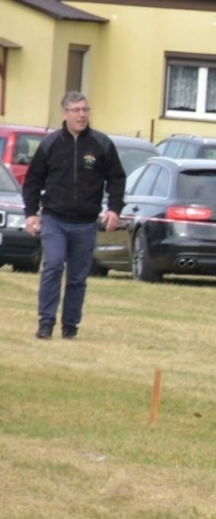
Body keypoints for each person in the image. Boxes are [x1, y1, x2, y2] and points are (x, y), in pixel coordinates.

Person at [23, 91, 125, 340]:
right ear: (64, 113)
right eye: (77, 110)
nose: (82, 115)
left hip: (86, 223)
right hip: (54, 219)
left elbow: (116, 178)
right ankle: (46, 322)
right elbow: (33, 180)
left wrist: (113, 208)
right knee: (53, 266)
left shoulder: (101, 144)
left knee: (78, 277)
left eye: (85, 110)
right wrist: (31, 213)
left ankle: (70, 327)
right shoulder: (51, 144)